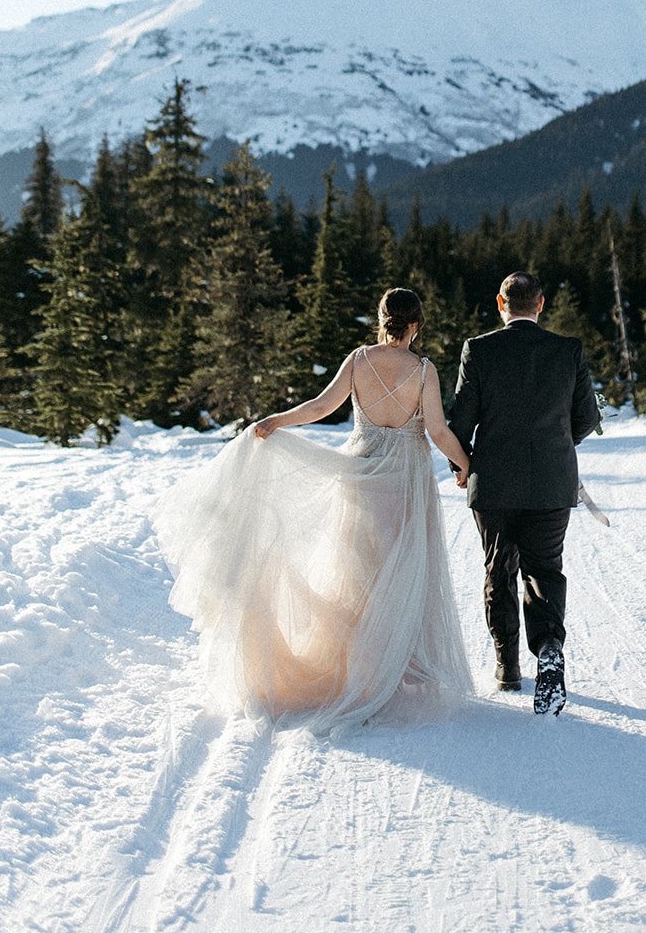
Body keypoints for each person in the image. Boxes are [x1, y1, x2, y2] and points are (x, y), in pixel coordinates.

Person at [154, 288, 473, 735]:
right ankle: (390, 669)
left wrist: (276, 421)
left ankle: (356, 667)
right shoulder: (423, 371)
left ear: (381, 319)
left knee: (358, 573)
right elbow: (437, 430)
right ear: (417, 324)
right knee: (399, 573)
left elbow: (322, 407)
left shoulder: (360, 360)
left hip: (361, 473)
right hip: (404, 481)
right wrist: (464, 463)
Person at [448, 271, 600, 716]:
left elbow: (461, 423)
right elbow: (586, 418)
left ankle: (507, 667)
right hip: (551, 483)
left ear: (501, 303)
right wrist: (555, 444)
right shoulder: (568, 350)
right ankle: (549, 646)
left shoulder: (479, 349)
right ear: (541, 304)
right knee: (544, 570)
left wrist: (464, 463)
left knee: (499, 569)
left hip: (493, 483)